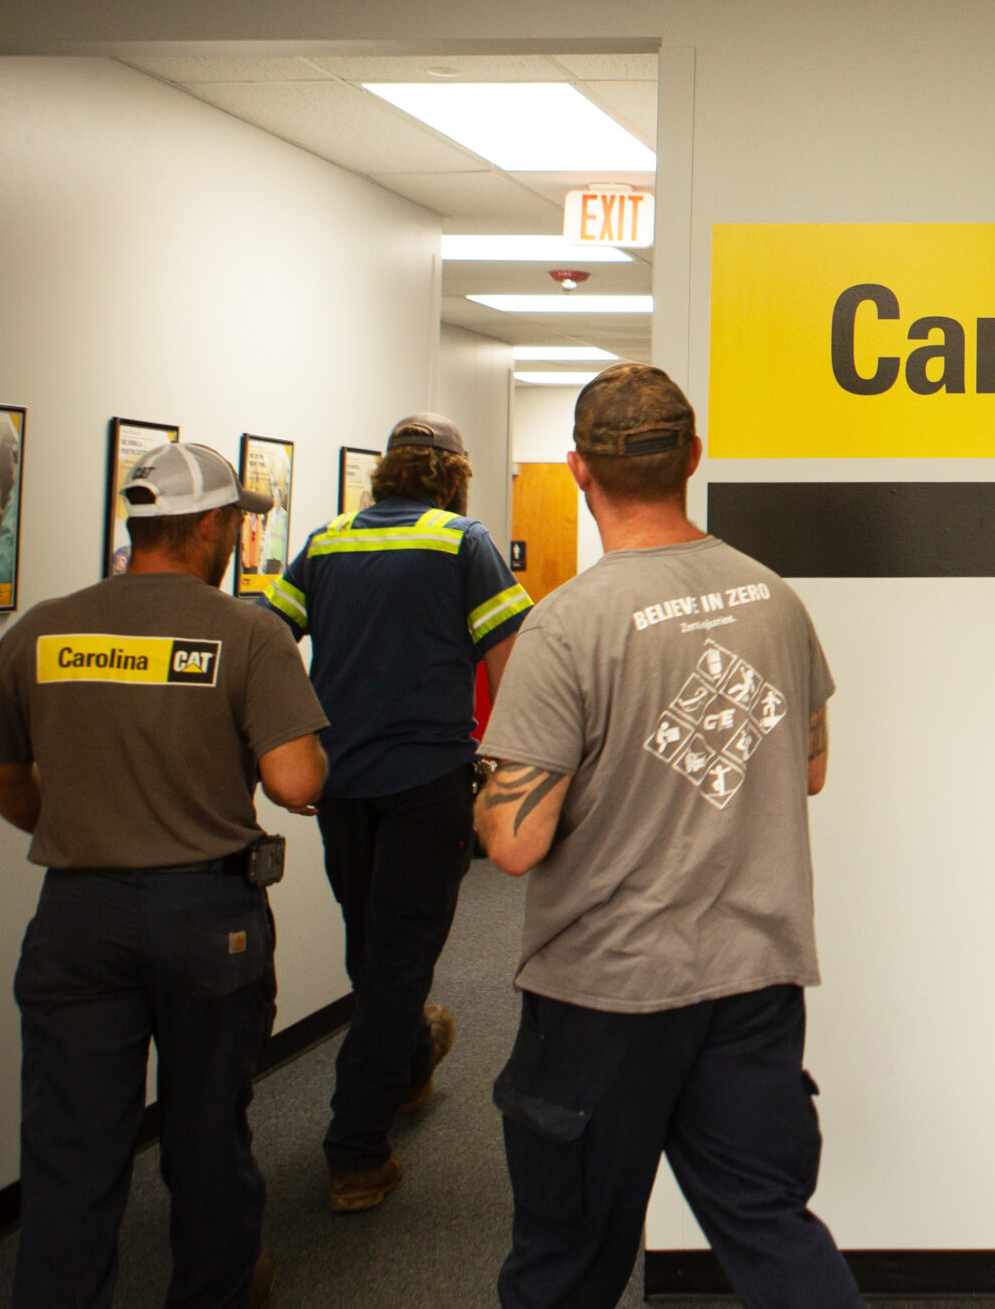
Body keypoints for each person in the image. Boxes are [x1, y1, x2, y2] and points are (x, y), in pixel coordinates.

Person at [474, 364, 862, 1309]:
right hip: (752, 977)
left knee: (565, 1265)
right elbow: (808, 766)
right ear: (692, 458)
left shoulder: (566, 626)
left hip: (607, 990)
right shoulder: (773, 598)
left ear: (577, 470)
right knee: (773, 1233)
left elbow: (514, 843)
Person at [0, 442, 330, 1309]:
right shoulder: (246, 630)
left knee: (70, 1153)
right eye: (237, 521)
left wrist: (78, 826)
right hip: (207, 915)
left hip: (77, 915)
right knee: (205, 1139)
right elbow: (296, 780)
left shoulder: (48, 626)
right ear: (209, 526)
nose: (239, 535)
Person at [259, 411, 532, 1213]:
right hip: (425, 784)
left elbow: (270, 640)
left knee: (373, 946)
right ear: (452, 474)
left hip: (342, 784)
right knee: (399, 960)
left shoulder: (328, 539)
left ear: (384, 471)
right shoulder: (461, 541)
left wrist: (294, 742)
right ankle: (355, 1151)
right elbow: (512, 663)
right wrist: (512, 769)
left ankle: (411, 1058)